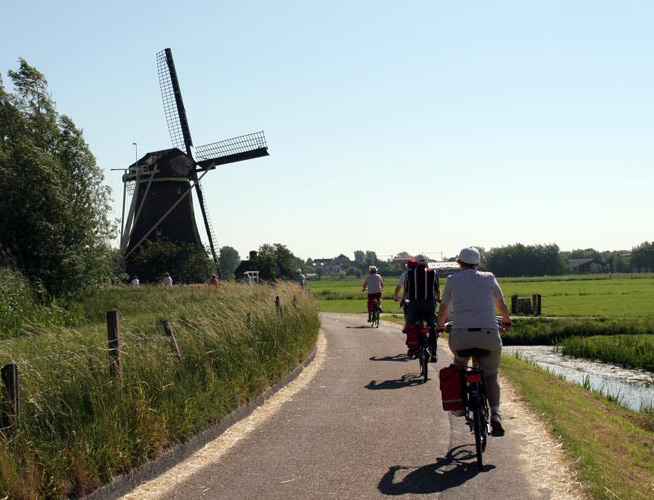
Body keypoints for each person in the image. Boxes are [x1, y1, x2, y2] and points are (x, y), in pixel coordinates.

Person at [436, 247, 511, 437]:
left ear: (459, 263)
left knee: (460, 365)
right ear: (478, 263)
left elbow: (444, 307)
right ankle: (495, 414)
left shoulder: (453, 280)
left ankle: (460, 406)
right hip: (488, 334)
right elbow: (500, 303)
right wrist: (506, 319)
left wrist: (440, 325)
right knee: (490, 376)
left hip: (461, 336)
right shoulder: (488, 277)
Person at [404, 255, 440, 361]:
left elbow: (407, 290)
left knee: (411, 324)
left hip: (414, 305)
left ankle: (413, 348)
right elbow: (437, 289)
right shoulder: (433, 272)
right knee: (432, 326)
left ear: (416, 263)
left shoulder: (409, 273)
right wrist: (438, 298)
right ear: (426, 262)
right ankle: (433, 353)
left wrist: (404, 300)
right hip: (429, 304)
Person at [393, 259, 416, 333]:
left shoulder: (405, 274)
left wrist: (396, 297)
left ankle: (407, 325)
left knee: (406, 311)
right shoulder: (423, 274)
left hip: (408, 299)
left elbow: (398, 288)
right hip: (423, 299)